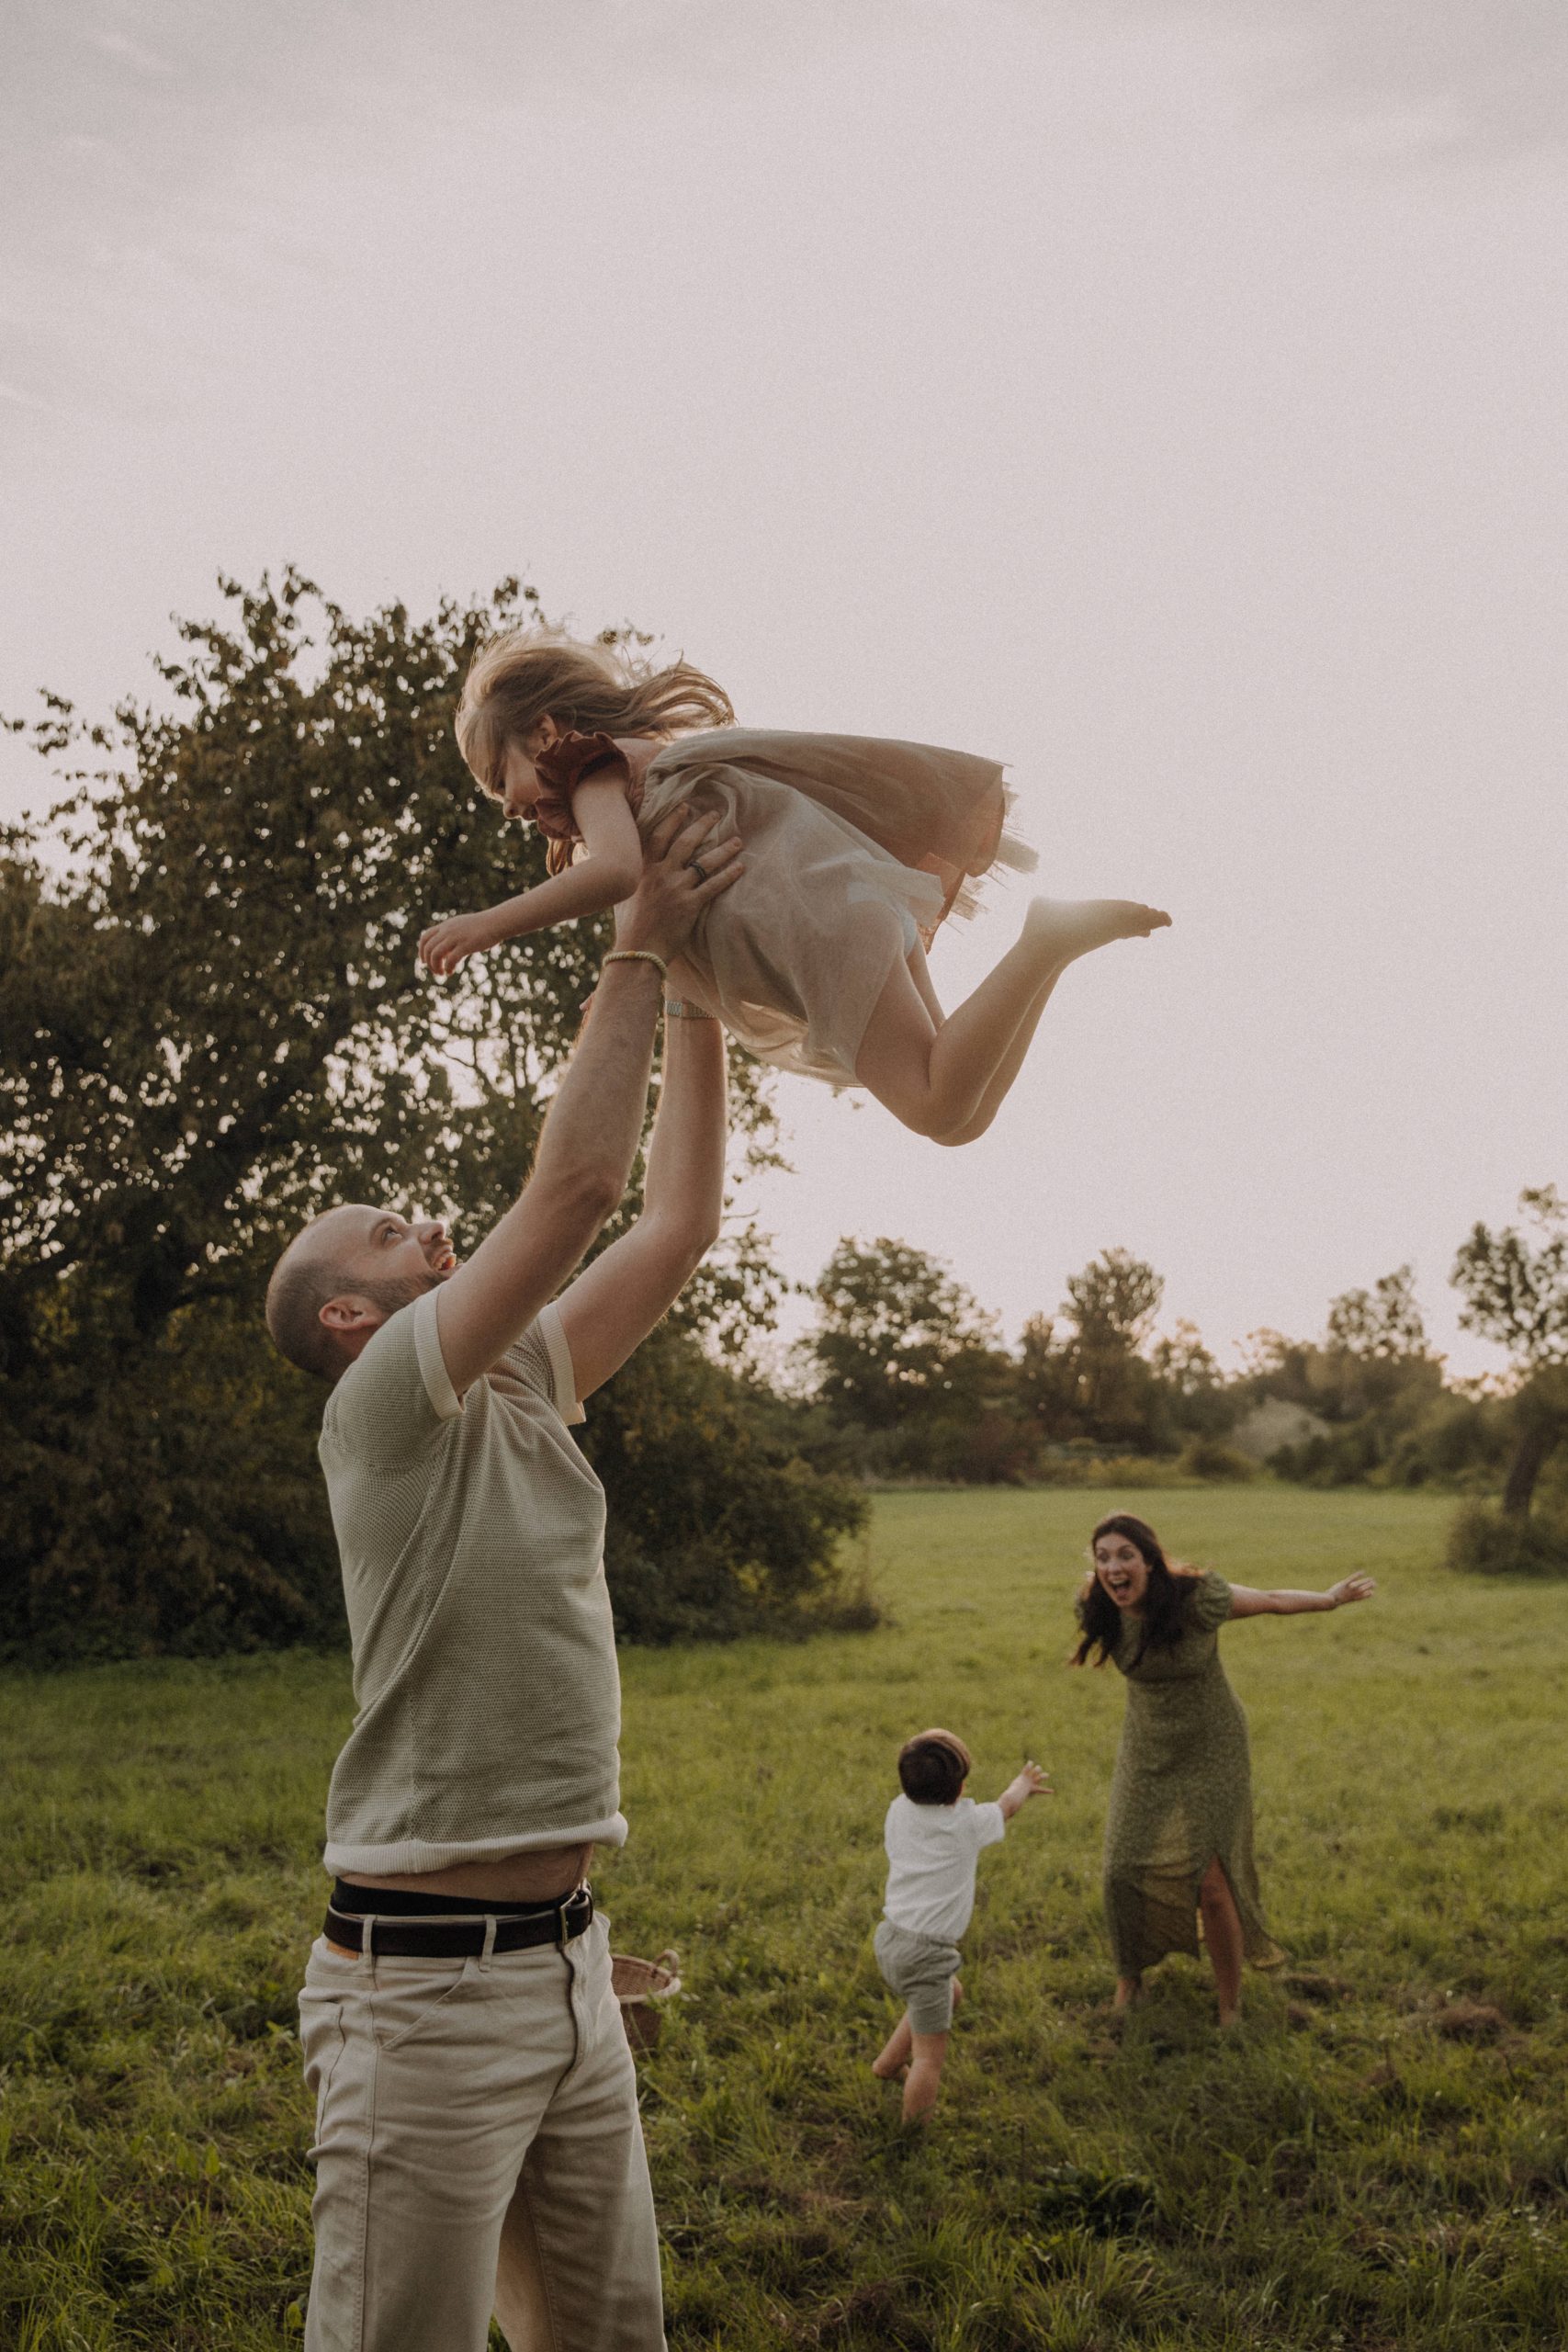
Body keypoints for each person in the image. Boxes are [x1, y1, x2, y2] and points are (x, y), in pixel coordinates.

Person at [264, 801, 742, 2352]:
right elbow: (578, 1191)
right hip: (418, 2002)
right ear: (355, 1317)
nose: (425, 1222)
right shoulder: (385, 1402)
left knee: (612, 2340)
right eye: (392, 1232)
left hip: (568, 1971)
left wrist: (704, 995)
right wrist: (634, 932)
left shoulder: (525, 1376)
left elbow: (670, 1228)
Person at [416, 631, 1169, 1145]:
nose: (509, 805)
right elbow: (656, 909)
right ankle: (1049, 954)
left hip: (815, 927)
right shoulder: (655, 769)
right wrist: (627, 973)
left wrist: (488, 924)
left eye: (496, 779)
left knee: (934, 1102)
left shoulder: (590, 771)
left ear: (544, 734)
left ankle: (1043, 944)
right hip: (852, 906)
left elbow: (615, 873)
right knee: (959, 1116)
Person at [1073, 1512, 1376, 2028]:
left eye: (1125, 1555)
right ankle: (1131, 1979)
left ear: (1149, 1560)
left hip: (1214, 1747)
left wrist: (1329, 1599)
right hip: (1147, 1750)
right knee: (1121, 1868)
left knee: (1212, 1883)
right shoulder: (1098, 1607)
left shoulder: (1193, 1598)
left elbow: (1274, 1601)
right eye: (1103, 1557)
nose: (1112, 1566)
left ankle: (1230, 2005)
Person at [870, 1728, 1051, 2123]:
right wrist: (1024, 1783)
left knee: (948, 1994)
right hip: (926, 1955)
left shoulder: (897, 1809)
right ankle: (912, 2135)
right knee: (929, 2061)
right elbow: (1006, 1806)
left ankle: (885, 2065)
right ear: (961, 1787)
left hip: (890, 1940)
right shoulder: (965, 1824)